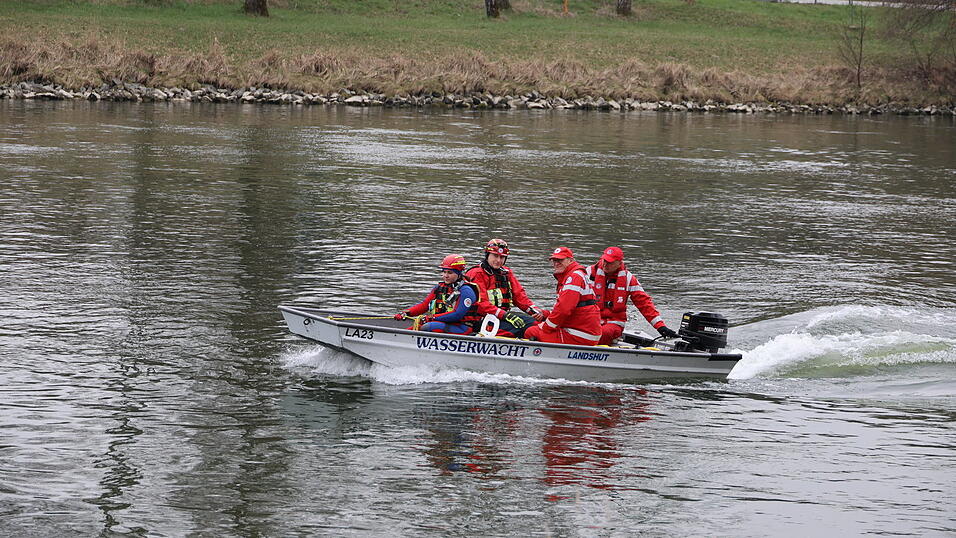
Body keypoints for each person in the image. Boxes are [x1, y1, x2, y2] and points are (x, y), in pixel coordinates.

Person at [585, 246, 678, 345]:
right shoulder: (589, 273)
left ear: (619, 263)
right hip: (591, 319)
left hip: (613, 322)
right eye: (604, 260)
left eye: (610, 262)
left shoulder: (629, 279)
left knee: (601, 333)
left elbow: (644, 303)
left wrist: (660, 326)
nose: (605, 264)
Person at [464, 238, 544, 338]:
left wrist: (536, 311)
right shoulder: (476, 274)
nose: (498, 260)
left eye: (502, 257)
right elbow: (481, 304)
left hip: (501, 317)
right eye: (495, 256)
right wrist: (505, 315)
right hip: (480, 320)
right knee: (523, 330)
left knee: (537, 323)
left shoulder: (507, 273)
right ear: (487, 255)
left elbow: (519, 296)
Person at [523, 247, 603, 346]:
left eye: (560, 260)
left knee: (531, 331)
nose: (556, 263)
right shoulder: (575, 275)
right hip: (584, 331)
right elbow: (568, 309)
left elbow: (564, 309)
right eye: (554, 260)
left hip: (580, 335)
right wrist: (545, 314)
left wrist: (546, 327)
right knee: (535, 324)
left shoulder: (574, 277)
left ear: (570, 260)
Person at [394, 254, 481, 334]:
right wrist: (406, 313)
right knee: (419, 326)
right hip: (443, 323)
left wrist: (432, 318)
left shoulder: (466, 291)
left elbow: (457, 315)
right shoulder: (439, 288)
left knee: (430, 326)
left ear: (459, 274)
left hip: (462, 327)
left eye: (450, 273)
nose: (445, 276)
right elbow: (424, 305)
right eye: (444, 272)